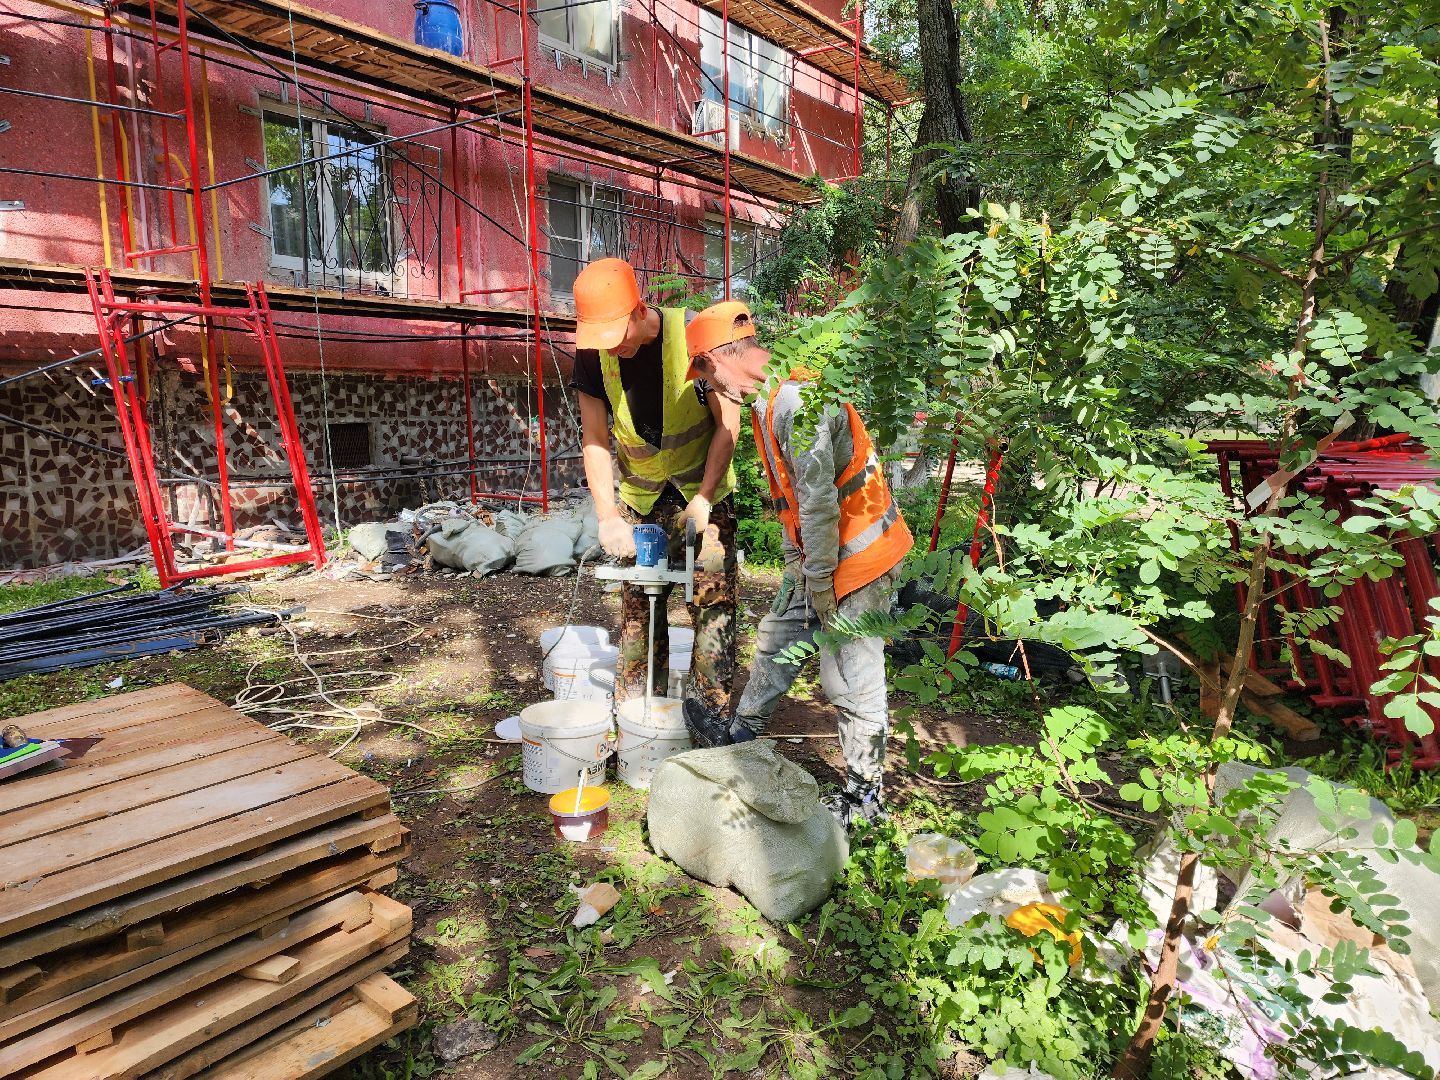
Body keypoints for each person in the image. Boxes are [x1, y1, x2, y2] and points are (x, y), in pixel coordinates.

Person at [682, 300, 914, 829]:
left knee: (851, 676)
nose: (714, 395)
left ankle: (865, 797)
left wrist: (822, 587)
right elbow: (789, 503)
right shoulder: (765, 402)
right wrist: (800, 573)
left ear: (716, 360)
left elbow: (818, 504)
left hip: (862, 557)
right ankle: (740, 734)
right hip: (819, 556)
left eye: (706, 383)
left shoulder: (796, 401)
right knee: (778, 636)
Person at [569, 258, 740, 716]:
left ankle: (711, 721)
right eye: (600, 339)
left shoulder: (697, 335)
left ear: (638, 309)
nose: (610, 348)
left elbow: (729, 425)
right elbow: (595, 440)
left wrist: (705, 497)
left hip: (702, 496)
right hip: (640, 501)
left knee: (712, 609)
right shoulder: (591, 354)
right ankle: (637, 717)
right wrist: (607, 517)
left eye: (615, 336)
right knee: (638, 614)